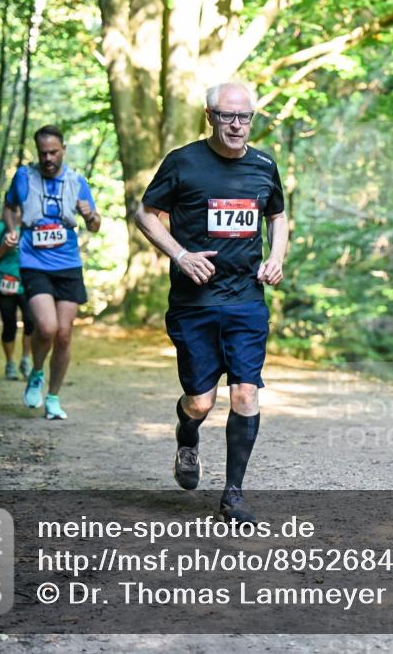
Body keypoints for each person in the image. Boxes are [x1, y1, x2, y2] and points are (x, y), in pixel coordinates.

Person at [136, 81, 288, 524]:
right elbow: (145, 213)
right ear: (210, 116)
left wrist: (276, 258)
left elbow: (276, 215)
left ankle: (234, 494)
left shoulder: (263, 165)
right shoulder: (183, 163)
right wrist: (180, 255)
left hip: (245, 299)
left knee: (245, 392)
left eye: (245, 117)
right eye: (227, 116)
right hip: (195, 303)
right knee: (201, 402)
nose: (237, 125)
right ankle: (187, 435)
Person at [3, 125, 101, 420]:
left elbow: (95, 225)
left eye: (53, 152)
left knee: (65, 334)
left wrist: (89, 215)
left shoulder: (76, 181)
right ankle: (36, 373)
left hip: (68, 264)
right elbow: (9, 206)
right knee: (46, 328)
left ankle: (54, 397)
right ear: (37, 152)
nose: (48, 158)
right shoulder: (23, 177)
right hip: (34, 263)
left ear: (63, 150)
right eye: (43, 153)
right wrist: (11, 230)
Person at [0, 218, 34, 380]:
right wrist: (5, 247)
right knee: (9, 325)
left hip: (29, 281)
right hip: (5, 281)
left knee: (31, 322)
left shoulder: (33, 226)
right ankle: (10, 364)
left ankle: (26, 360)